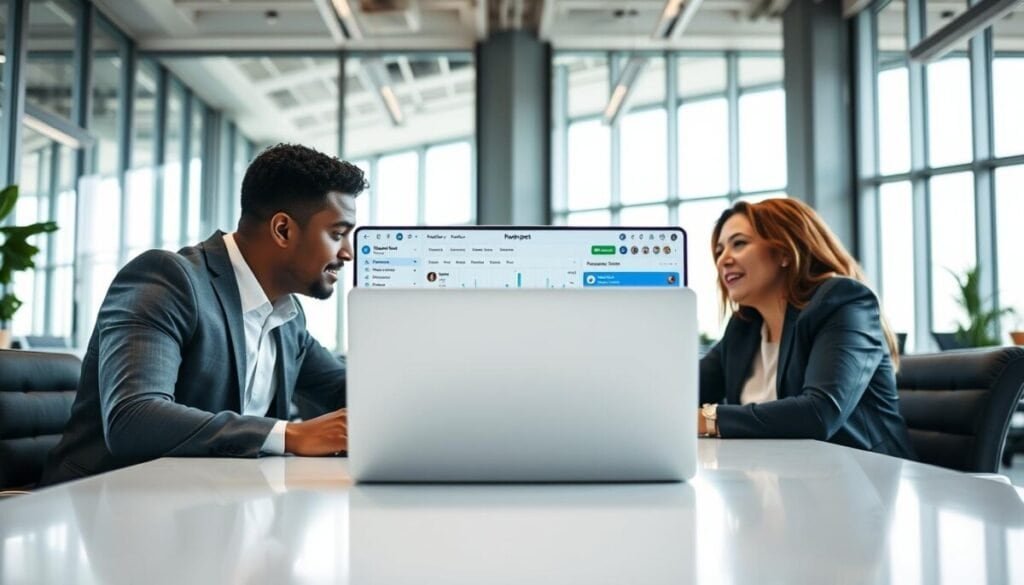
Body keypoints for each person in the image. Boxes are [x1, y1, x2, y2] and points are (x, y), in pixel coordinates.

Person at [40, 143, 366, 485]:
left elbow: (347, 390)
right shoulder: (169, 279)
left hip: (214, 507)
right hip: (100, 507)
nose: (347, 253)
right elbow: (133, 417)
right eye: (338, 234)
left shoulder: (287, 317)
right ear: (283, 230)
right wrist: (292, 435)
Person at [698, 198, 915, 458]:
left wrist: (706, 419)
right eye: (719, 250)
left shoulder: (843, 301)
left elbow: (818, 413)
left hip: (863, 481)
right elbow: (685, 390)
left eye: (739, 243)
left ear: (785, 252)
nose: (723, 259)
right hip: (778, 477)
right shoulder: (743, 327)